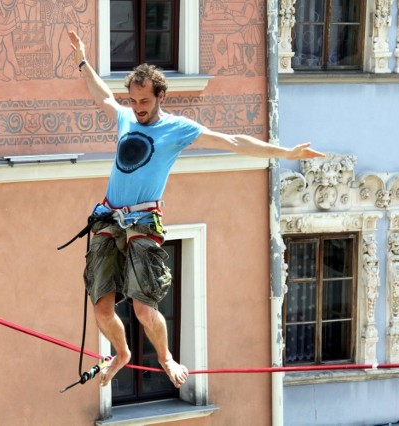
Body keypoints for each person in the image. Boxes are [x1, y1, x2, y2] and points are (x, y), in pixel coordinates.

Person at [67, 30, 325, 389]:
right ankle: (122, 353)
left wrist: (286, 154)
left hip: (143, 220)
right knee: (101, 308)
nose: (138, 107)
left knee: (143, 308)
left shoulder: (177, 129)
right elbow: (103, 96)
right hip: (109, 217)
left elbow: (233, 141)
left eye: (144, 101)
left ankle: (166, 356)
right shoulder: (126, 117)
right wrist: (82, 60)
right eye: (134, 100)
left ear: (160, 96)